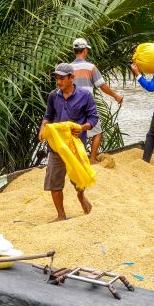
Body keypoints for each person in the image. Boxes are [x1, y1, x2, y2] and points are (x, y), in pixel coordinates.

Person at [38, 63, 98, 222]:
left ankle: (81, 196)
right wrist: (42, 128)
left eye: (62, 78)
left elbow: (93, 118)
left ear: (72, 78)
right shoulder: (53, 95)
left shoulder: (85, 96)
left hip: (75, 146)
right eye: (56, 78)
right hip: (56, 146)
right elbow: (48, 115)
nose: (58, 82)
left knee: (78, 179)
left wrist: (84, 127)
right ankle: (61, 215)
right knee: (54, 182)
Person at [70, 38, 124, 163]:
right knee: (97, 132)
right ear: (84, 51)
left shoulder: (68, 68)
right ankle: (92, 159)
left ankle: (74, 159)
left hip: (71, 106)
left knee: (73, 132)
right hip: (86, 106)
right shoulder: (91, 67)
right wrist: (116, 96)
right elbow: (102, 86)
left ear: (74, 51)